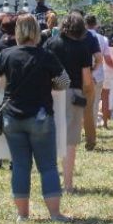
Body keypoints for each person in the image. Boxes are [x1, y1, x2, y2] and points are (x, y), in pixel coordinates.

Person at [0, 14, 72, 223]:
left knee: (21, 166)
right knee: (48, 167)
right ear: (36, 32)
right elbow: (65, 82)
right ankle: (55, 214)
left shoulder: (7, 54)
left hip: (12, 118)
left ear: (17, 32)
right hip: (41, 117)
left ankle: (22, 215)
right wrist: (52, 85)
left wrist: (4, 74)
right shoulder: (46, 55)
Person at [44, 12, 95, 192]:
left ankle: (49, 180)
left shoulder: (51, 43)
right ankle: (67, 184)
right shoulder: (82, 47)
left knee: (50, 136)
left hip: (50, 92)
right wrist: (88, 91)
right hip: (73, 92)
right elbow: (87, 79)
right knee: (70, 139)